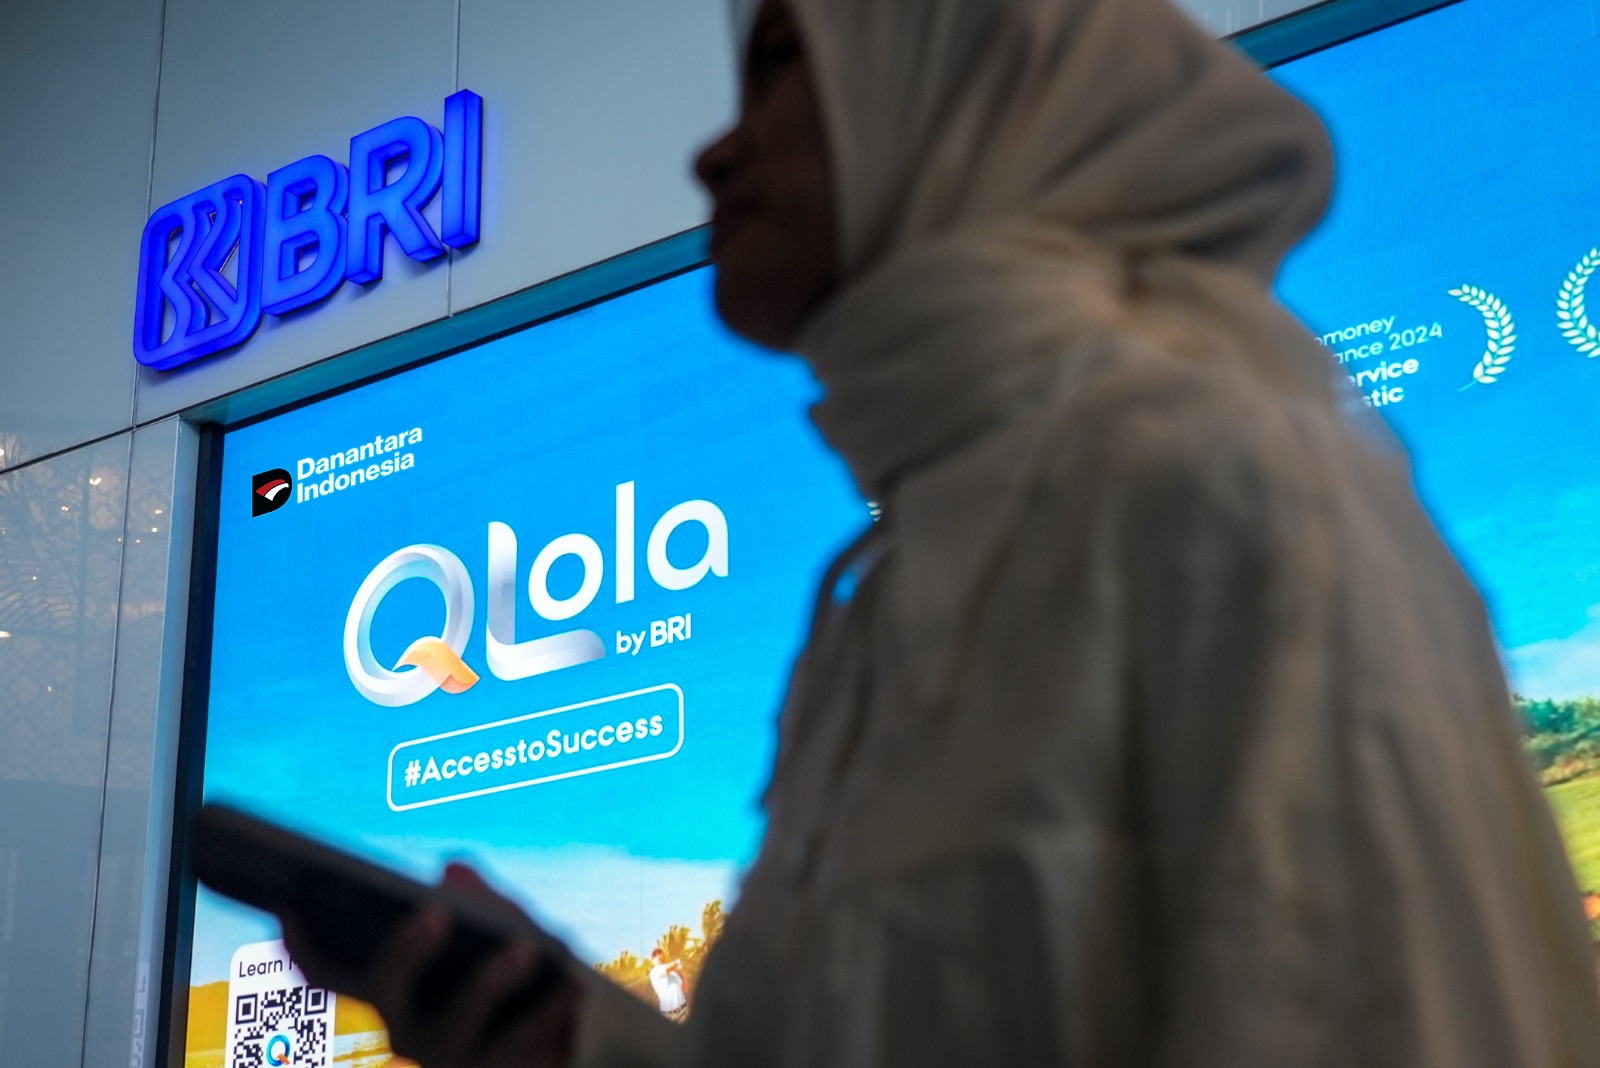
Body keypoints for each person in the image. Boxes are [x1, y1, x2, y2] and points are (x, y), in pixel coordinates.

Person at [281, 0, 1600, 1065]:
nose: (710, 156)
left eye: (781, 65)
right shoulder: (884, 608)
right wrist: (564, 1040)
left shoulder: (1222, 490)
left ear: (968, 103)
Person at [648, 948, 689, 1021]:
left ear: (664, 956)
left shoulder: (674, 973)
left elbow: (685, 988)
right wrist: (677, 962)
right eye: (654, 955)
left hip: (683, 1011)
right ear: (652, 961)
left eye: (660, 953)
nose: (658, 956)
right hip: (668, 1015)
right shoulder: (654, 971)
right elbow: (672, 965)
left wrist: (680, 971)